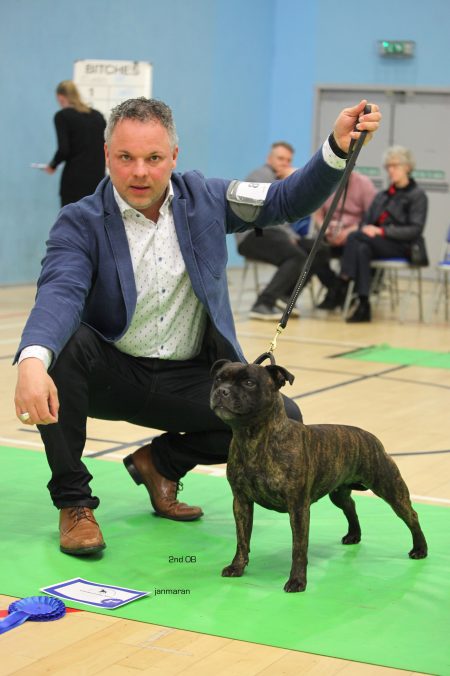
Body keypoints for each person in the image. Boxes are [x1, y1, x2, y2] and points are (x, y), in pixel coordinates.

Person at [14, 97, 380, 556]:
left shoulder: (209, 198)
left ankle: (162, 463)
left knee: (283, 417)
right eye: (126, 157)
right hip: (112, 376)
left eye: (153, 158)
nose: (140, 172)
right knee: (61, 350)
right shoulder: (79, 221)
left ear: (174, 156)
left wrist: (337, 148)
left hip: (188, 378)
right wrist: (33, 359)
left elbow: (284, 199)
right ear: (108, 155)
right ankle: (74, 503)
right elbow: (61, 291)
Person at [327, 145, 427, 322]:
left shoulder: (417, 195)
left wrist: (381, 230)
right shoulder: (383, 195)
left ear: (407, 167)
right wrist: (368, 228)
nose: (390, 170)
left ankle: (343, 281)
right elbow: (366, 221)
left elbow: (415, 230)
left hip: (403, 246)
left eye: (395, 166)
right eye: (388, 166)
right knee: (362, 249)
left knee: (355, 237)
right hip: (373, 243)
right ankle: (364, 304)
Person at [235, 142, 307, 320]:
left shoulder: (280, 178)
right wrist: (292, 180)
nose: (285, 163)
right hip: (254, 234)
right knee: (296, 256)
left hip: (276, 233)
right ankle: (263, 303)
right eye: (281, 159)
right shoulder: (261, 175)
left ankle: (284, 296)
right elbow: (271, 211)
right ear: (269, 159)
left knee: (317, 250)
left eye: (288, 160)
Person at [308, 171, 376, 310]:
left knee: (358, 246)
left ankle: (341, 291)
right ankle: (335, 288)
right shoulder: (324, 182)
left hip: (353, 235)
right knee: (310, 250)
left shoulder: (364, 184)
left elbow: (371, 218)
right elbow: (318, 214)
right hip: (329, 234)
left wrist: (348, 232)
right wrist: (325, 229)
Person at [45, 80, 106, 206]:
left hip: (74, 180)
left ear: (61, 97)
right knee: (95, 216)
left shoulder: (62, 116)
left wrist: (53, 165)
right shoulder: (98, 116)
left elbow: (63, 150)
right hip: (97, 179)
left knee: (71, 217)